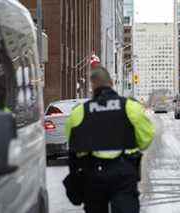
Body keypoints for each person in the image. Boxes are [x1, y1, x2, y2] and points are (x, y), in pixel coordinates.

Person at [64, 65, 155, 213]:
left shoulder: (79, 112)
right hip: (124, 174)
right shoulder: (130, 107)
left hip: (93, 175)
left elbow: (73, 143)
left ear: (92, 86)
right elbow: (146, 138)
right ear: (112, 83)